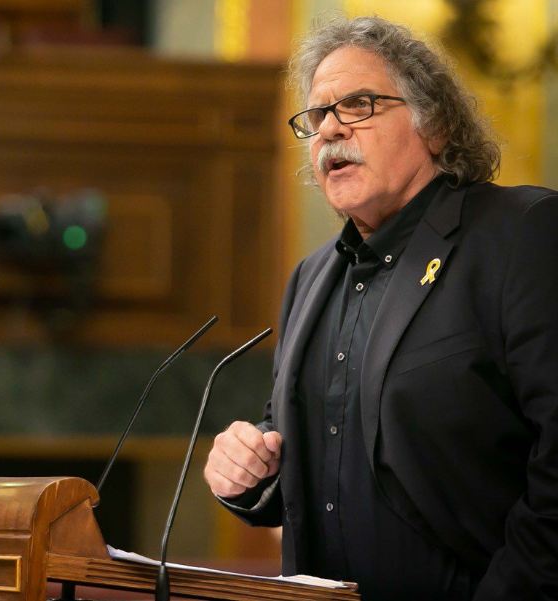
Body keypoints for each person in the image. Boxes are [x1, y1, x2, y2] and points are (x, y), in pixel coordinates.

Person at [203, 15, 558, 601]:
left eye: (358, 104)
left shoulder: (521, 234)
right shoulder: (310, 276)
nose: (329, 129)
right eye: (317, 115)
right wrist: (247, 470)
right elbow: (306, 447)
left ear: (435, 125)